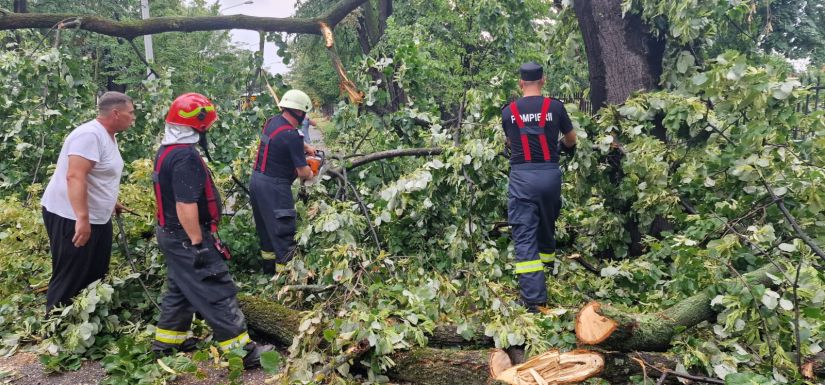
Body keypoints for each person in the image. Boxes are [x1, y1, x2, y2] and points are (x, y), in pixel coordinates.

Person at [151, 93, 271, 368]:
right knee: (215, 287)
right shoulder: (184, 157)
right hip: (186, 237)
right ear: (199, 124)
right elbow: (185, 204)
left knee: (181, 287)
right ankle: (243, 353)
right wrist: (198, 244)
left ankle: (168, 342)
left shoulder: (167, 150)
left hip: (170, 234)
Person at [40, 91, 135, 311]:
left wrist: (110, 202)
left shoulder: (108, 135)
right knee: (72, 272)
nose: (133, 117)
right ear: (115, 113)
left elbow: (98, 176)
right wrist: (82, 219)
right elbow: (75, 176)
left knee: (95, 270)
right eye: (130, 113)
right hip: (70, 215)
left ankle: (84, 319)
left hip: (98, 215)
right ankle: (57, 324)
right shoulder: (89, 135)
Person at [502, 62, 576, 313]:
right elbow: (571, 139)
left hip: (522, 178)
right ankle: (548, 272)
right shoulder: (555, 107)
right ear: (543, 80)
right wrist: (564, 150)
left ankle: (534, 300)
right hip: (550, 176)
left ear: (520, 83)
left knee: (524, 235)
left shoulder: (508, 111)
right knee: (546, 224)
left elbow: (510, 141)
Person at [250, 89, 316, 275]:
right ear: (300, 112)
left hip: (256, 182)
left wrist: (306, 146)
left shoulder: (273, 122)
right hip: (275, 188)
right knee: (283, 234)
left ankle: (269, 273)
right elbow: (303, 171)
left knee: (267, 234)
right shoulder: (292, 136)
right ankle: (286, 279)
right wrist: (312, 173)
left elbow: (285, 137)